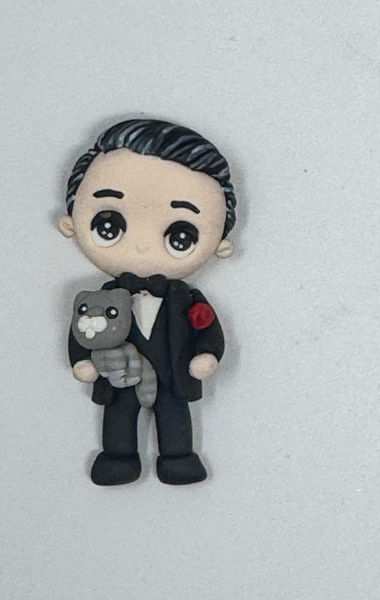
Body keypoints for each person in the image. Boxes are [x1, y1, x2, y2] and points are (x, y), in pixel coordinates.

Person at [58, 118, 237, 485]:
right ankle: (119, 457)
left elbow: (209, 330)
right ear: (71, 223)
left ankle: (178, 457)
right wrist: (82, 361)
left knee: (174, 416)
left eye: (180, 236)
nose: (141, 246)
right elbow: (81, 331)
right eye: (109, 225)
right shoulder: (97, 297)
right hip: (119, 376)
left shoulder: (188, 299)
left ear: (221, 244)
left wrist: (207, 355)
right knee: (118, 418)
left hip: (173, 375)